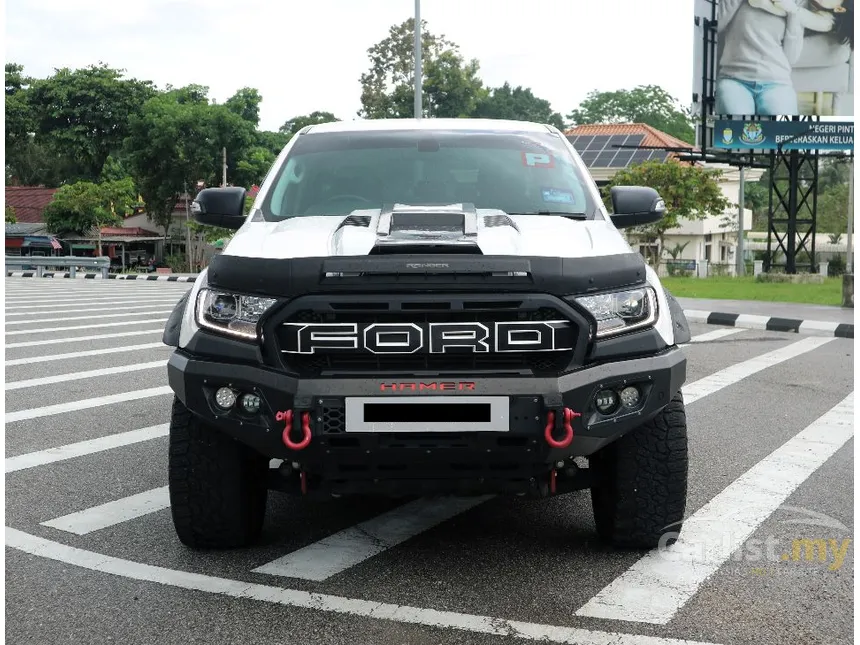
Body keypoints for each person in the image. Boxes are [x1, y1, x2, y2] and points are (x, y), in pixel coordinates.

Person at [715, 0, 806, 115]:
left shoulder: (796, 2)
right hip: (733, 78)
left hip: (777, 82)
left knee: (782, 129)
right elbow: (716, 25)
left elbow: (791, 57)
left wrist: (793, 14)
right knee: (736, 127)